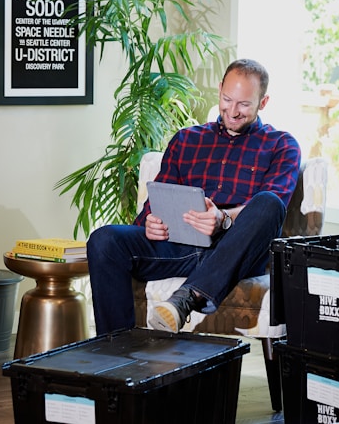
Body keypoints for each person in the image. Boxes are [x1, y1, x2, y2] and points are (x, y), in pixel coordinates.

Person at [87, 58, 301, 335]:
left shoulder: (282, 145)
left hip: (238, 251)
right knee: (104, 240)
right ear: (219, 88)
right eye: (227, 99)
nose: (233, 111)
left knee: (269, 203)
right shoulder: (186, 139)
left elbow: (274, 209)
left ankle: (186, 298)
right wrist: (150, 222)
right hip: (180, 247)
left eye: (244, 104)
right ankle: (115, 354)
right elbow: (156, 202)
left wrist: (222, 219)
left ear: (264, 102)